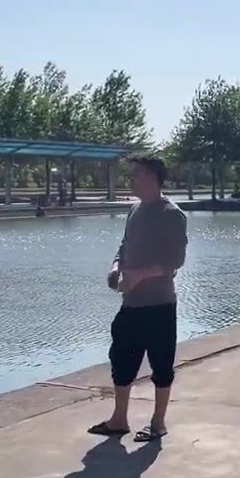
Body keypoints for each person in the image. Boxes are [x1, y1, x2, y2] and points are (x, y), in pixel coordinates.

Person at [90, 154, 189, 442]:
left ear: (152, 178)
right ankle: (119, 420)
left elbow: (175, 260)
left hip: (159, 304)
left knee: (161, 364)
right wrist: (115, 268)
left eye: (135, 174)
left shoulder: (172, 214)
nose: (130, 180)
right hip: (131, 303)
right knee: (121, 359)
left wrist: (139, 276)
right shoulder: (135, 210)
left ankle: (158, 423)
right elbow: (124, 246)